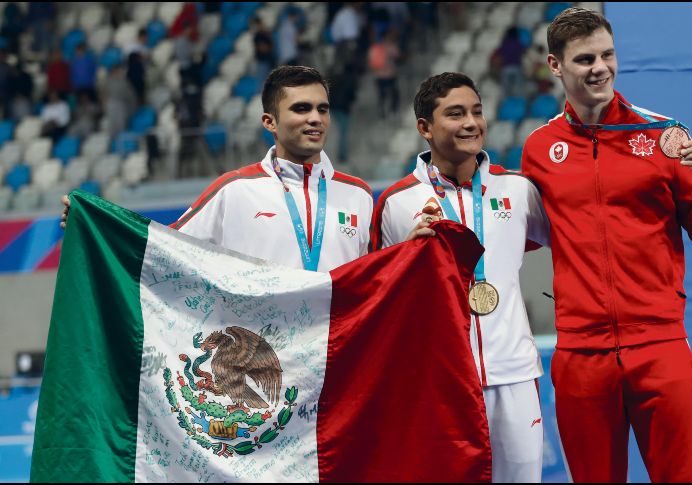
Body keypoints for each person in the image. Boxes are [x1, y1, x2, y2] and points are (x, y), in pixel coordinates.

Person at [520, 7, 692, 483]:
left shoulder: (663, 135)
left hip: (659, 343)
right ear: (556, 66)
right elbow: (523, 238)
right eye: (585, 59)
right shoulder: (538, 148)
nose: (600, 68)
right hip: (580, 353)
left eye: (608, 55)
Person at [370, 72, 550, 482]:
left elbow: (575, 244)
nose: (471, 122)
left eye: (476, 111)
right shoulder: (397, 204)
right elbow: (380, 299)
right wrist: (406, 260)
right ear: (425, 128)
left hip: (514, 374)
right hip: (439, 380)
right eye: (455, 114)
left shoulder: (519, 190)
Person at [61, 66, 373, 274]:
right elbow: (163, 250)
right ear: (270, 122)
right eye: (301, 109)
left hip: (340, 363)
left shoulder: (358, 194)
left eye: (323, 109)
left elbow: (380, 277)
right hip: (263, 363)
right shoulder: (234, 189)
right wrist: (92, 225)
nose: (315, 118)